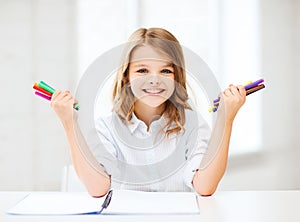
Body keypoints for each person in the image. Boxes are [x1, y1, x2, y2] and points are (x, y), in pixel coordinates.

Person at [51, 27, 246, 197]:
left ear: (177, 77)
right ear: (126, 76)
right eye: (142, 70)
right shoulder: (107, 127)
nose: (154, 80)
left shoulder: (192, 124)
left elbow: (204, 187)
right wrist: (70, 124)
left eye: (166, 71)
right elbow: (97, 188)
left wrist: (225, 119)